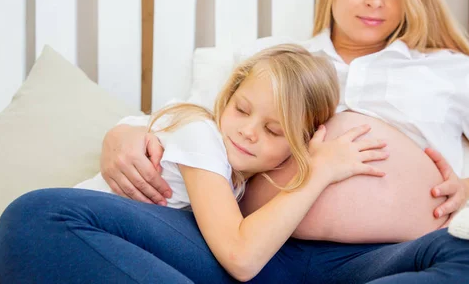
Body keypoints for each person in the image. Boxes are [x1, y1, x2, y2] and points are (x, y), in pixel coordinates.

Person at [0, 0, 469, 283]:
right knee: (35, 219)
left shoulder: (449, 71)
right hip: (234, 249)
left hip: (382, 260)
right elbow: (198, 127)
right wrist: (123, 131)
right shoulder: (274, 53)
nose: (375, 1)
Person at [74, 43, 390, 280]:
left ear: (298, 146)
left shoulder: (234, 178)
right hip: (86, 235)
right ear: (229, 94)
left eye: (273, 130)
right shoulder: (201, 136)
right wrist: (320, 172)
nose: (248, 131)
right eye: (241, 109)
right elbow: (241, 257)